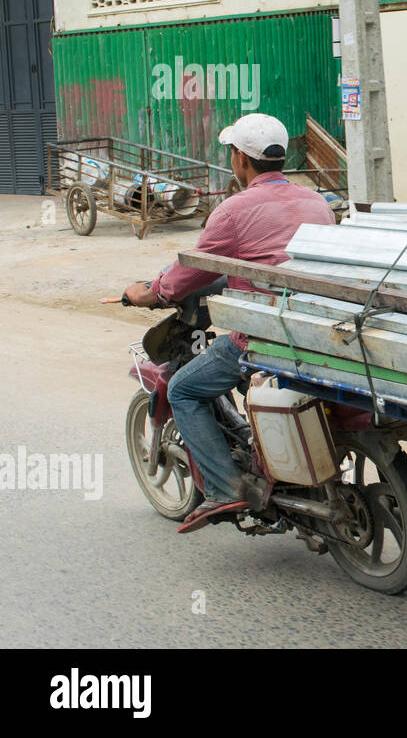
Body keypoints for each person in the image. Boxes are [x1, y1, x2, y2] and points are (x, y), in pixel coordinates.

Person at [121, 114, 335, 533]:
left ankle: (225, 489)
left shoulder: (233, 210)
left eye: (231, 153)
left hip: (263, 337)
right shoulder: (316, 202)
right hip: (319, 330)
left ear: (240, 159)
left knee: (183, 389)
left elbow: (190, 274)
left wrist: (146, 292)